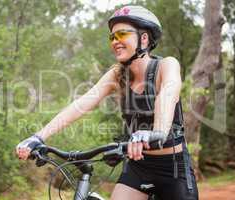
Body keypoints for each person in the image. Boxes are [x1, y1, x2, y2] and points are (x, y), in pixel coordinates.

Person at [16, 5, 199, 200]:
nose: (115, 41)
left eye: (122, 34)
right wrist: (39, 137)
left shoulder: (166, 65)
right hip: (138, 168)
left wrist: (157, 132)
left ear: (144, 38)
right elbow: (81, 104)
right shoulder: (118, 74)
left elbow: (168, 95)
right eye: (112, 37)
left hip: (173, 169)